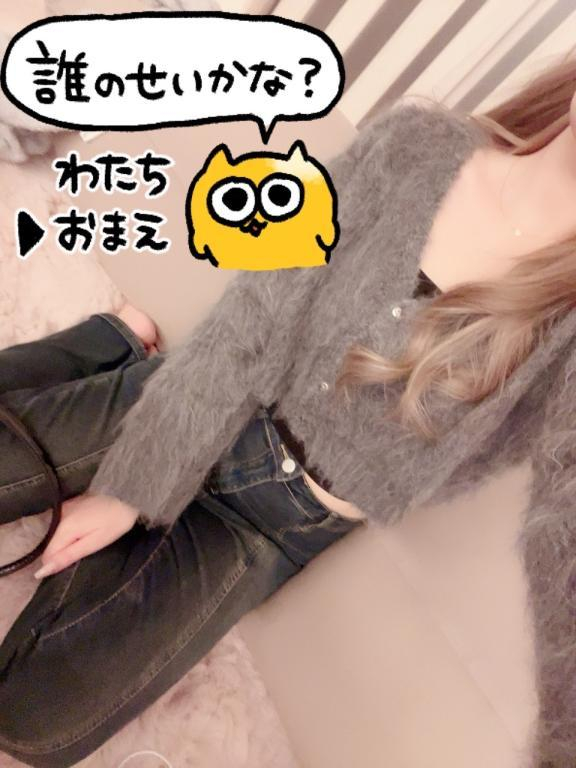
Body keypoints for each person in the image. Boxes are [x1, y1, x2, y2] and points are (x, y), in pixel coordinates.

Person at [2, 54, 576, 767]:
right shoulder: (418, 146)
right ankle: (109, 342)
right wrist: (135, 485)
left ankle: (109, 347)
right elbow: (257, 311)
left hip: (275, 523)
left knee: (33, 724)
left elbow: (567, 525)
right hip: (213, 403)